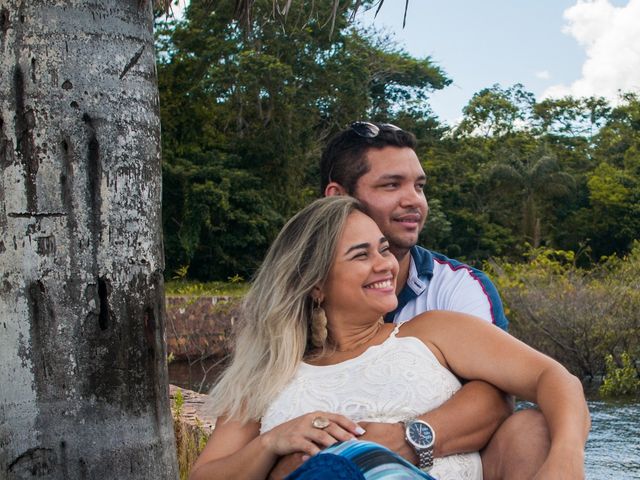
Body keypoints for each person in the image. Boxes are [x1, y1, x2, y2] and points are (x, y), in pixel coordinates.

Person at [190, 196, 590, 480]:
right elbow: (206, 474)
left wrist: (565, 458)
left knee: (533, 426)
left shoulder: (434, 331)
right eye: (361, 255)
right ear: (315, 285)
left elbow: (554, 380)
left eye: (383, 249)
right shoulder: (270, 372)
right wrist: (272, 443)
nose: (385, 264)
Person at [305, 121, 550, 478]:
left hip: (445, 464)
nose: (414, 200)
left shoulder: (458, 289)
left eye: (419, 186)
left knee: (531, 427)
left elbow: (496, 396)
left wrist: (402, 441)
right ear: (338, 196)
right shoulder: (298, 295)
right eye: (392, 185)